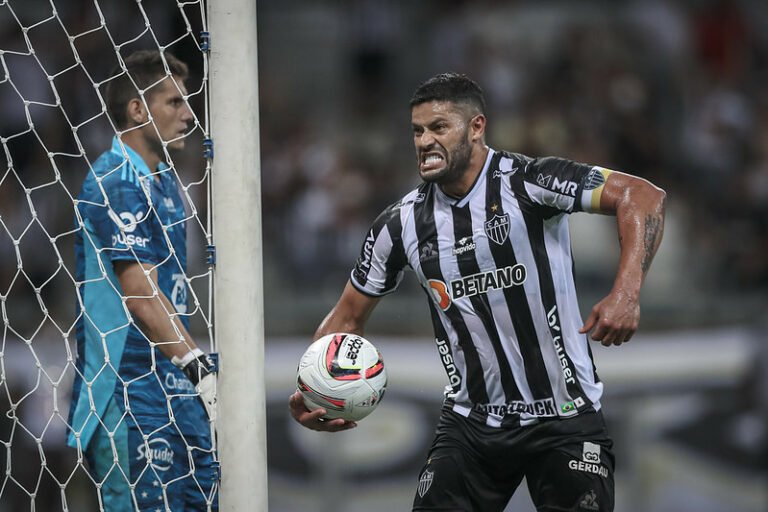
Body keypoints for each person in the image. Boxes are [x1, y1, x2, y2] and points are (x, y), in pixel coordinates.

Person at [289, 72, 666, 512]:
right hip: (471, 425)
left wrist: (626, 292)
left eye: (438, 127)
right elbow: (349, 316)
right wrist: (311, 388)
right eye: (417, 131)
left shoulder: (529, 181)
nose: (424, 141)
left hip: (565, 417)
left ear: (476, 127)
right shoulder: (400, 224)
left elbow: (642, 196)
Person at [67, 50, 218, 511]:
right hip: (128, 394)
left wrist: (193, 375)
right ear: (137, 109)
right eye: (174, 102)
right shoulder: (115, 180)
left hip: (177, 388)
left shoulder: (166, 184)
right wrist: (200, 366)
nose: (189, 115)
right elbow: (142, 295)